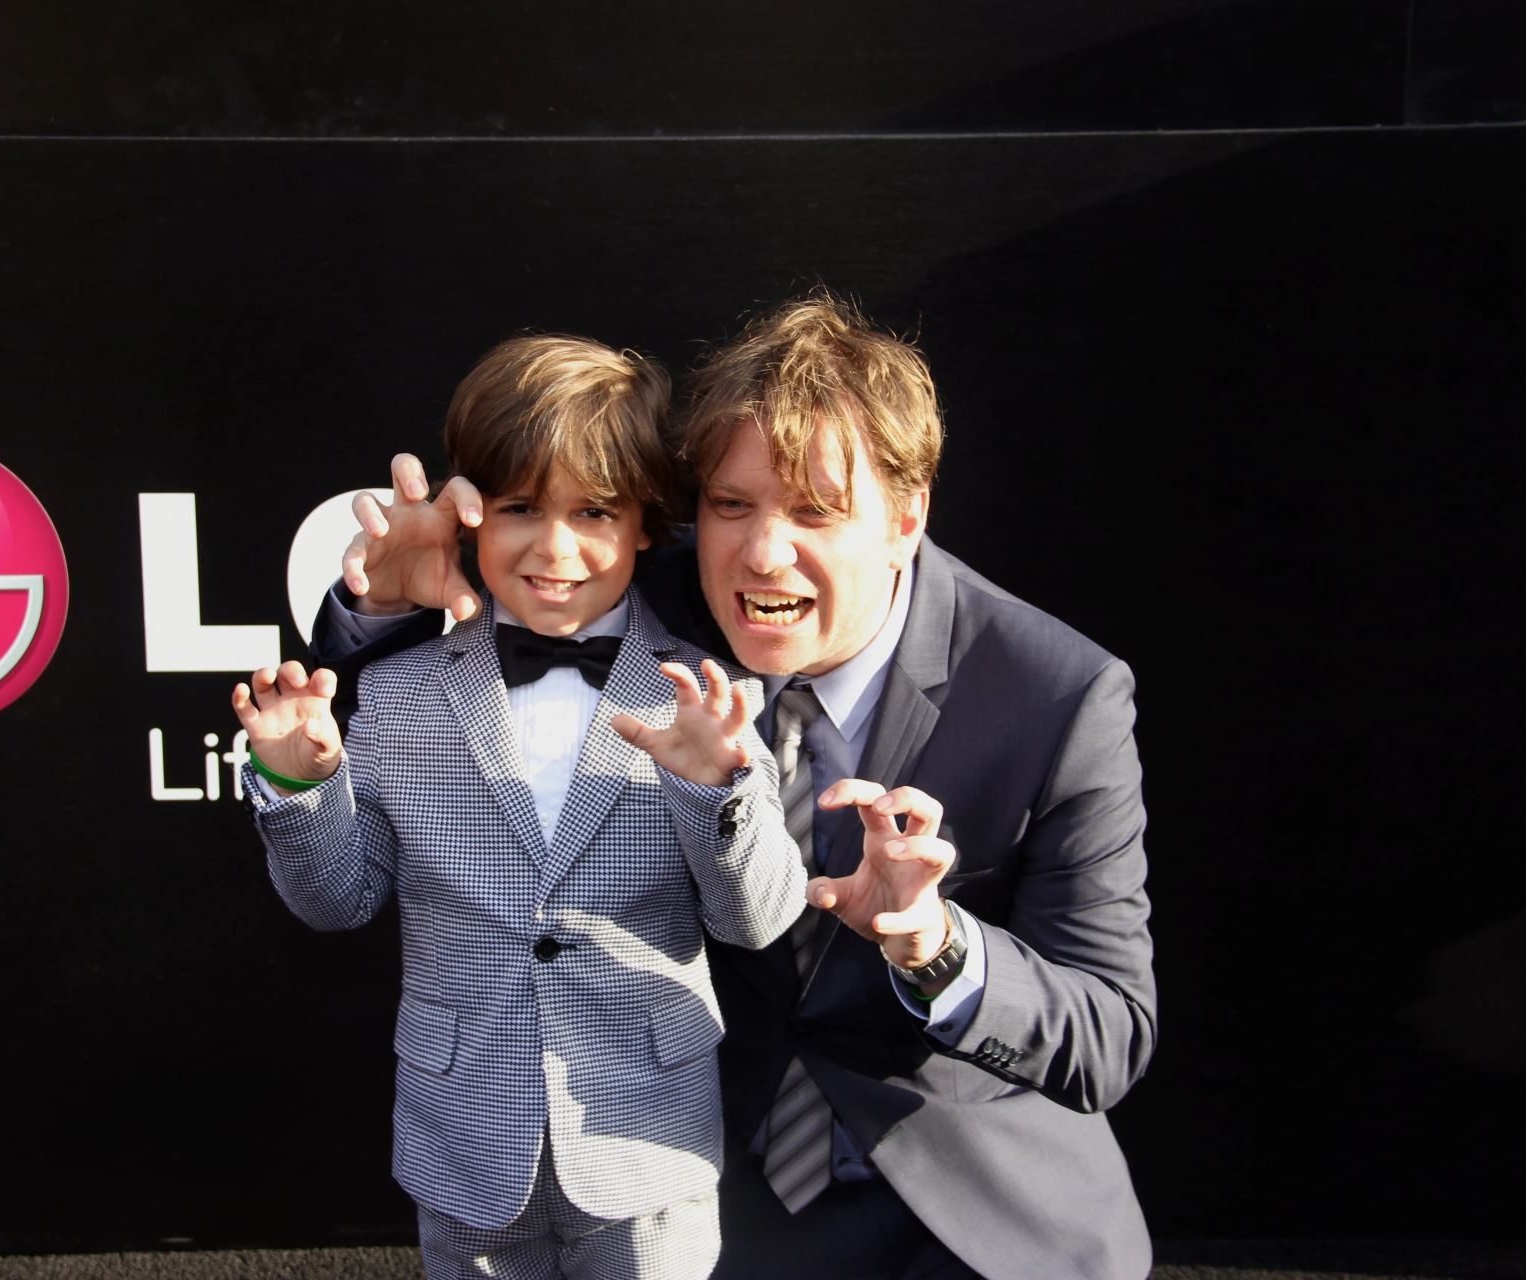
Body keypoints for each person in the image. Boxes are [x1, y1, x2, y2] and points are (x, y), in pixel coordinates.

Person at [316, 296, 1157, 1280]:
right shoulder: (649, 595)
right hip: (700, 1195)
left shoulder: (1054, 691)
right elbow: (452, 684)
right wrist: (386, 600)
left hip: (974, 1212)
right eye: (731, 504)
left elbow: (1108, 1033)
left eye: (814, 510)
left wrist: (937, 945)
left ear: (907, 516)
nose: (761, 554)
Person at [233, 335, 807, 1280]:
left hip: (647, 1142)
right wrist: (300, 786)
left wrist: (719, 787)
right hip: (462, 1140)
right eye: (518, 509)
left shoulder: (706, 695)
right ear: (471, 518)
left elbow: (758, 920)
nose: (554, 547)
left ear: (648, 526)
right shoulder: (401, 692)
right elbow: (336, 901)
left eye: (595, 511)